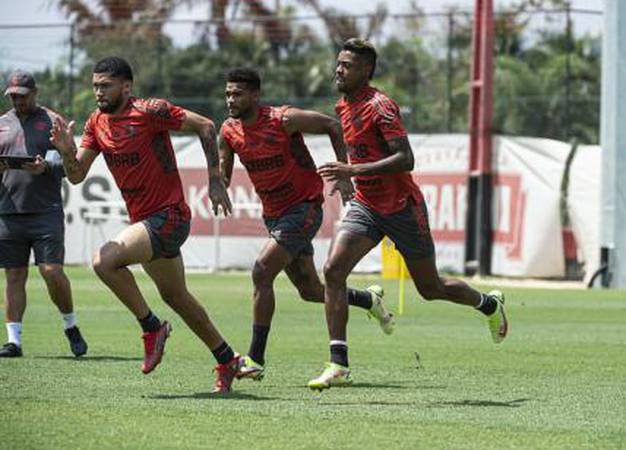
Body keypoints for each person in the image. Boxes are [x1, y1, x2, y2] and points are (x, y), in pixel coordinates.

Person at [309, 38, 509, 390]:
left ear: (366, 70)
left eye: (347, 65)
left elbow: (406, 158)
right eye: (338, 63)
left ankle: (488, 305)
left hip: (403, 208)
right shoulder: (343, 106)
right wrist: (349, 180)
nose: (338, 70)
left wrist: (353, 171)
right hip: (367, 207)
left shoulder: (381, 106)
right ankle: (338, 363)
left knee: (430, 288)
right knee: (333, 270)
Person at [50, 57, 244, 393]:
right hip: (148, 222)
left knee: (104, 261)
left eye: (106, 85)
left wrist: (215, 179)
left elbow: (206, 125)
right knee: (177, 297)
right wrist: (67, 152)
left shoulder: (149, 110)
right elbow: (77, 175)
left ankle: (151, 327)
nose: (98, 91)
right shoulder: (96, 123)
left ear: (127, 86)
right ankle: (227, 359)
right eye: (95, 85)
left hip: (169, 216)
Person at [218, 67, 395, 382]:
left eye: (238, 94)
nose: (231, 99)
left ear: (255, 95)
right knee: (311, 291)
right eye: (228, 93)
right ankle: (368, 299)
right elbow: (223, 174)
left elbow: (332, 125)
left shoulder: (282, 119)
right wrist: (215, 184)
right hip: (274, 214)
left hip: (304, 208)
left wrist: (344, 171)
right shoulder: (229, 131)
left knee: (261, 271)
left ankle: (255, 359)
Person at [0, 70, 87, 358]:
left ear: (35, 93)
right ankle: (14, 341)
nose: (17, 101)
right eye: (12, 96)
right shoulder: (1, 124)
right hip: (9, 211)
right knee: (14, 275)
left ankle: (70, 325)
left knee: (51, 271)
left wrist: (47, 167)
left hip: (45, 211)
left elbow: (74, 168)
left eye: (22, 96)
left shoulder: (53, 122)